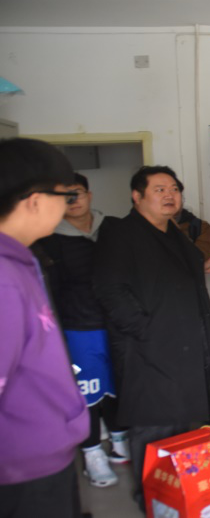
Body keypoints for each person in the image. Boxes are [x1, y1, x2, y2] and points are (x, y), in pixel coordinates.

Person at [93, 165, 210, 509]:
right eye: (159, 189)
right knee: (154, 429)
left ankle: (182, 499)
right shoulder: (121, 233)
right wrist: (147, 332)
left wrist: (198, 268)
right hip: (150, 351)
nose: (170, 195)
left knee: (187, 429)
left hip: (187, 348)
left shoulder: (174, 232)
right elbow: (110, 290)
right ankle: (153, 502)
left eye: (174, 189)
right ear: (136, 196)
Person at [0, 138, 89, 518]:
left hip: (41, 455)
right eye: (64, 195)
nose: (68, 205)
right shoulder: (4, 277)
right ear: (35, 200)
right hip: (21, 468)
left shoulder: (21, 260)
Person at [35, 173, 129, 489]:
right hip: (77, 329)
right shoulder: (48, 239)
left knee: (119, 386)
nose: (73, 201)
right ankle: (92, 453)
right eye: (65, 196)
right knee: (85, 393)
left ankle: (120, 441)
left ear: (89, 195)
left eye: (76, 193)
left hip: (117, 325)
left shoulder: (113, 228)